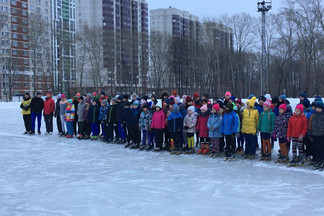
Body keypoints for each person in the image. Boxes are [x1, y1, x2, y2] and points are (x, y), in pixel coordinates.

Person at [308, 101, 324, 170]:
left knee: (321, 149)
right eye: (316, 108)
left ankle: (322, 161)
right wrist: (310, 134)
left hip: (322, 135)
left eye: (319, 108)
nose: (317, 109)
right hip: (315, 134)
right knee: (316, 148)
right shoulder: (313, 116)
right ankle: (318, 160)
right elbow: (310, 125)